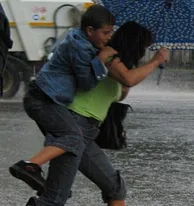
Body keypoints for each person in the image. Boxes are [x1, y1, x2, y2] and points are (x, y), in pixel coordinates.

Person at [0, 22, 168, 206]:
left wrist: (143, 68)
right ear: (135, 44)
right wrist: (156, 61)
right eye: (145, 47)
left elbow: (122, 89)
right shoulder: (109, 57)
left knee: (114, 186)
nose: (145, 52)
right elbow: (128, 80)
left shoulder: (119, 64)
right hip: (74, 127)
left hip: (87, 132)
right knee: (55, 198)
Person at [8, 4, 117, 195]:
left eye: (111, 33)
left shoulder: (79, 39)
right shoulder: (81, 47)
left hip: (44, 97)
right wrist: (100, 61)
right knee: (73, 137)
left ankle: (51, 186)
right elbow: (86, 83)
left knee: (64, 137)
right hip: (44, 98)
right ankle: (29, 166)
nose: (109, 37)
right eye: (106, 32)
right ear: (90, 30)